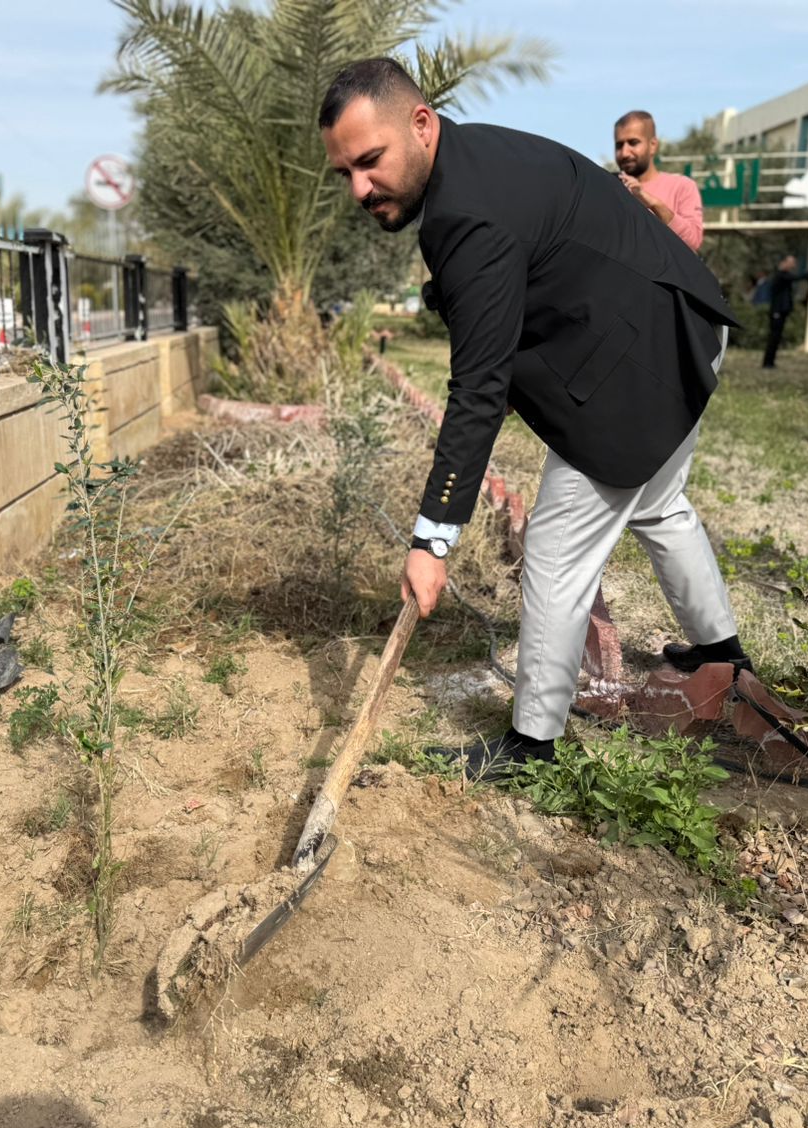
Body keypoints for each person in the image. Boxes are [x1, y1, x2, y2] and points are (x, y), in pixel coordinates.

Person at [319, 59, 749, 777]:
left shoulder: (467, 215)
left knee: (553, 549)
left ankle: (531, 746)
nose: (360, 189)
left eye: (370, 161)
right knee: (660, 506)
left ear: (420, 124)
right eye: (345, 173)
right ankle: (722, 655)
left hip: (642, 358)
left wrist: (432, 540)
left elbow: (478, 388)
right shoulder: (474, 159)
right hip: (677, 319)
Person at [613, 110, 704, 251]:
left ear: (653, 145)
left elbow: (693, 241)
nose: (625, 153)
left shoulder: (682, 186)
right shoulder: (610, 190)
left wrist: (653, 204)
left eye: (633, 143)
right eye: (619, 145)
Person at [761, 253, 808, 368]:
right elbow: (798, 277)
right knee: (774, 337)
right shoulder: (780, 275)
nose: (793, 265)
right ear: (783, 262)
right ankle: (767, 362)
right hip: (777, 311)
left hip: (782, 311)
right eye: (791, 263)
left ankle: (770, 362)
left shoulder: (785, 276)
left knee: (777, 337)